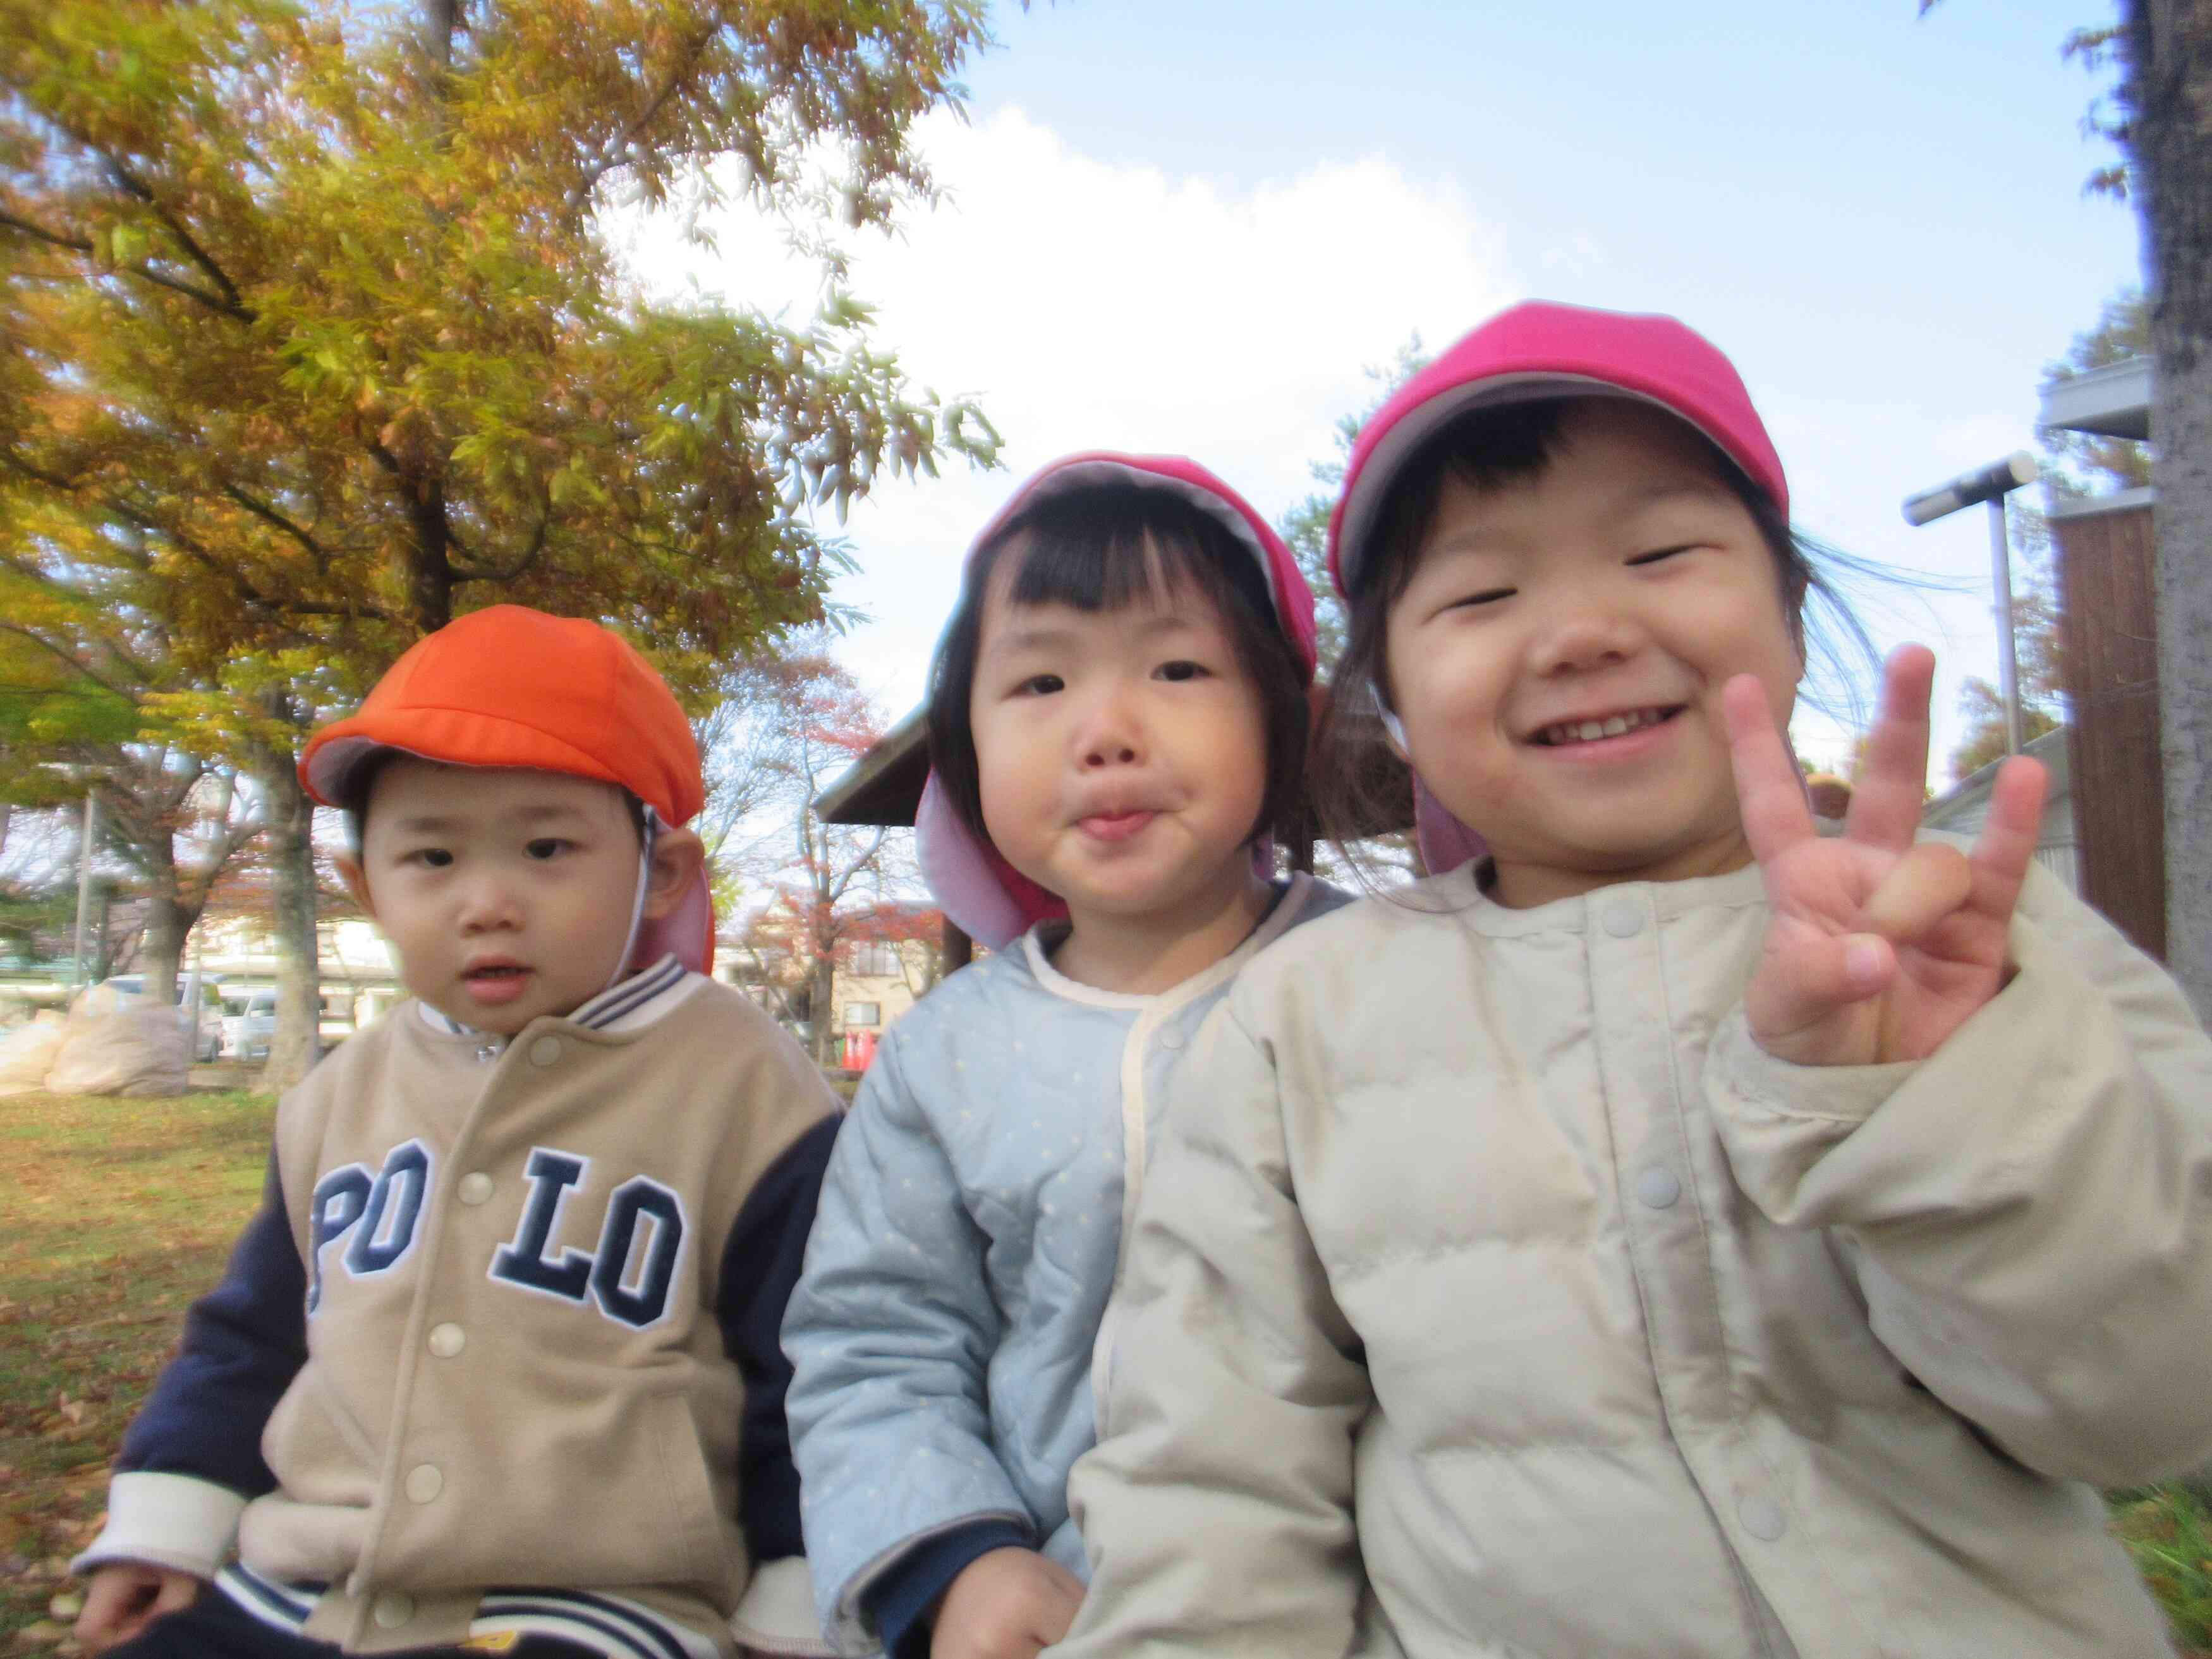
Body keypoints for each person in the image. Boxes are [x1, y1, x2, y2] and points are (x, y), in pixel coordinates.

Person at [1050, 303, 2212, 1658]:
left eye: (1659, 551)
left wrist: (1944, 1101)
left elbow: (2154, 1404)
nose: (1583, 630)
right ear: (1396, 705)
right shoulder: (1296, 1017)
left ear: (1785, 609)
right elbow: (1208, 1485)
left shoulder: (1978, 933)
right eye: (1482, 595)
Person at [71, 605, 842, 1659]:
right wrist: (166, 1527)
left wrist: (801, 1593)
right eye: (430, 857)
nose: (487, 901)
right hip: (300, 1587)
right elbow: (250, 1337)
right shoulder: (343, 1094)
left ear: (659, 870)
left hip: (594, 1599)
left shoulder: (742, 1085)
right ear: (367, 888)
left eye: (545, 846)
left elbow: (806, 1361)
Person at [781, 454, 1350, 1659]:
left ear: (1277, 712)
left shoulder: (1385, 986)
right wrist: (960, 1559)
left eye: (1179, 668)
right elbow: (876, 1338)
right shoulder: (947, 1054)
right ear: (968, 747)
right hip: (1055, 1613)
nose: (1105, 733)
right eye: (1039, 679)